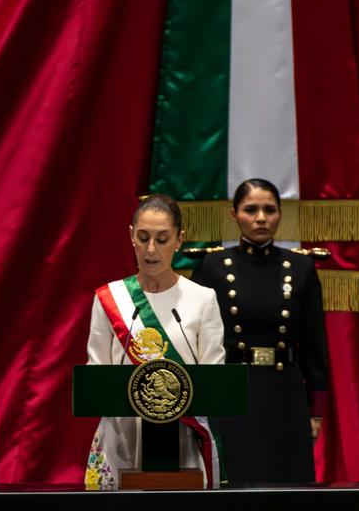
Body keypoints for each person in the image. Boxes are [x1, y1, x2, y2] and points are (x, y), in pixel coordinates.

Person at [84, 194, 225, 491]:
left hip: (181, 441)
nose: (151, 250)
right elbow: (96, 378)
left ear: (179, 240)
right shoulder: (110, 299)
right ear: (131, 236)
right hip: (121, 439)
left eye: (162, 239)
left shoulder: (203, 299)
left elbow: (214, 382)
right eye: (143, 237)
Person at [191, 178, 328, 484]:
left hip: (285, 391)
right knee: (237, 481)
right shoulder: (212, 267)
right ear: (233, 214)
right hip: (232, 392)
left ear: (281, 213)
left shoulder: (300, 268)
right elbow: (197, 341)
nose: (261, 218)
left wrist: (315, 412)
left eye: (270, 209)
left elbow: (314, 345)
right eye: (251, 209)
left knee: (288, 483)